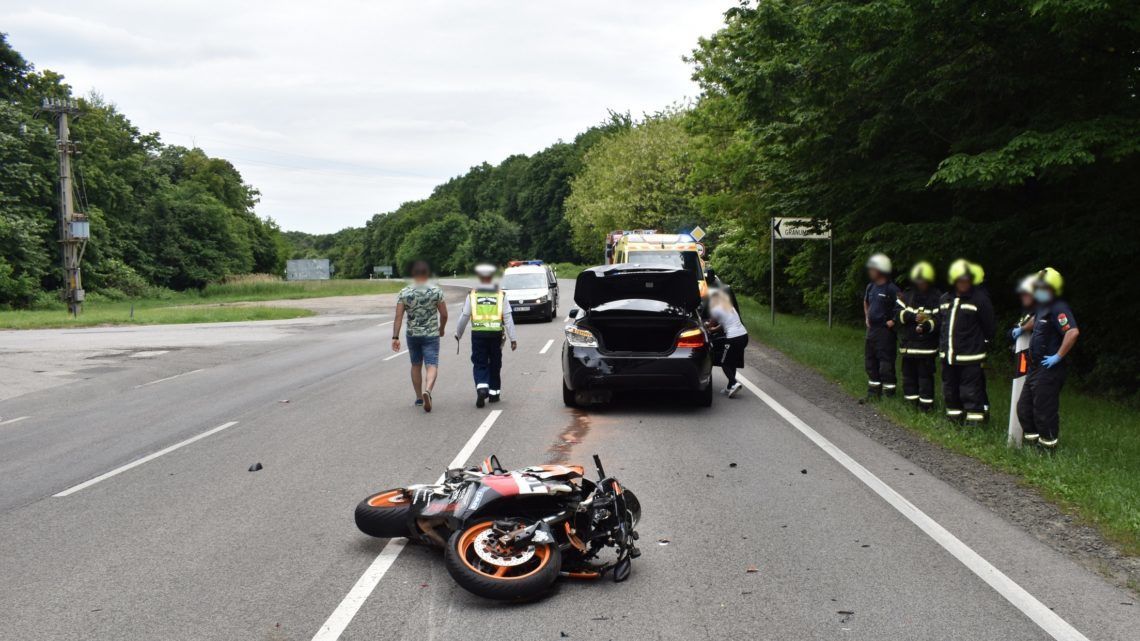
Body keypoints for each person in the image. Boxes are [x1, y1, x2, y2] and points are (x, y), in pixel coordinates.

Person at [1017, 268, 1079, 448]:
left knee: (1044, 412)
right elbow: (1035, 320)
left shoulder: (1059, 307)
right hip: (1035, 367)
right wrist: (1022, 329)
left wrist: (1058, 356)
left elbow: (1073, 332)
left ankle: (1047, 451)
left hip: (1049, 369)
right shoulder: (1043, 306)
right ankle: (1032, 447)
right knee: (1024, 409)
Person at [936, 259, 995, 426]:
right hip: (948, 356)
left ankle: (974, 425)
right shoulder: (945, 299)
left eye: (967, 279)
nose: (964, 283)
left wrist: (981, 345)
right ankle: (954, 421)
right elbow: (941, 325)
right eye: (960, 279)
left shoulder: (980, 299)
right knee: (950, 390)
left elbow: (989, 327)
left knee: (971, 392)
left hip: (971, 356)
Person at [454, 263, 517, 407]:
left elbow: (465, 316)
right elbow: (507, 318)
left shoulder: (473, 294)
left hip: (478, 335)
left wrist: (458, 333)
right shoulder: (500, 294)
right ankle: (494, 394)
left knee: (480, 362)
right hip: (495, 335)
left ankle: (482, 389)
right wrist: (513, 339)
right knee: (495, 363)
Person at [391, 260, 447, 412]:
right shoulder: (436, 291)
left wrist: (395, 337)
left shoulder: (404, 292)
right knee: (432, 364)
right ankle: (427, 390)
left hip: (413, 335)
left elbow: (398, 317)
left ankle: (419, 398)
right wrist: (441, 329)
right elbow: (444, 314)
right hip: (431, 334)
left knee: (416, 365)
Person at [895, 261, 941, 411]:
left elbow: (940, 320)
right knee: (908, 377)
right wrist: (911, 316)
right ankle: (910, 405)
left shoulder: (937, 298)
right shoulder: (907, 295)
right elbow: (896, 314)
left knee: (925, 378)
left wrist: (927, 325)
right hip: (908, 347)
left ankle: (926, 408)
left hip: (926, 349)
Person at [863, 253, 900, 399]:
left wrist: (894, 321)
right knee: (870, 362)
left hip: (885, 332)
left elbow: (903, 308)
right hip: (872, 330)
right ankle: (873, 394)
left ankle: (889, 395)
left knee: (885, 364)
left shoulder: (892, 289)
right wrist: (867, 317)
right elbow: (866, 302)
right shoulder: (870, 287)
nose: (870, 271)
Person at [1007, 275, 1037, 445]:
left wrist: (1022, 329)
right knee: (1023, 405)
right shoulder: (1025, 314)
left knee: (1032, 405)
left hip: (1035, 364)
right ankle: (1027, 441)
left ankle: (1035, 443)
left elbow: (1033, 325)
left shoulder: (1040, 312)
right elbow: (1010, 333)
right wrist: (1014, 332)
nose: (1024, 297)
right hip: (1023, 362)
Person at [707, 288, 749, 397]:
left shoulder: (715, 309)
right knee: (732, 361)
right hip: (744, 336)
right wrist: (714, 329)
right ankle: (730, 386)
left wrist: (706, 326)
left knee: (724, 362)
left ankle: (734, 383)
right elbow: (725, 323)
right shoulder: (730, 307)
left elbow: (711, 323)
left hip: (733, 338)